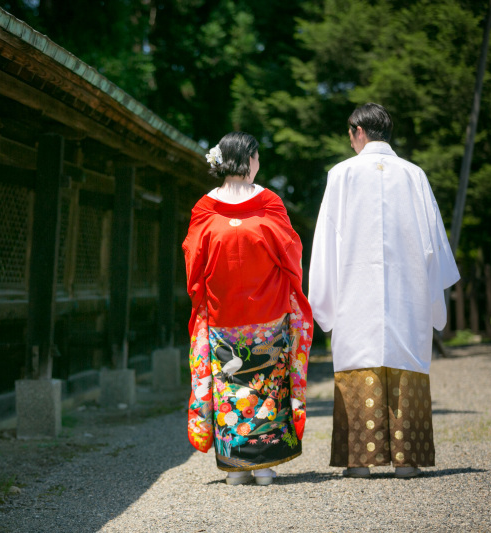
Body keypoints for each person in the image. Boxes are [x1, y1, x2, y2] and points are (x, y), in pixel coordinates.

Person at [308, 103, 460, 479]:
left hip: (353, 290)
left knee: (357, 356)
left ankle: (359, 462)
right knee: (406, 355)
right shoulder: (414, 175)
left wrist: (322, 301)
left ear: (358, 131)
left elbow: (326, 241)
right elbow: (434, 242)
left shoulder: (340, 174)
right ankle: (407, 461)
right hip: (408, 290)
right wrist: (432, 295)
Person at [184, 131, 312, 486]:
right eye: (256, 158)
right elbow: (290, 255)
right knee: (267, 386)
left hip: (223, 315)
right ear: (249, 160)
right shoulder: (269, 203)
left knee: (228, 387)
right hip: (267, 315)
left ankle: (234, 465)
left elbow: (193, 263)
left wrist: (203, 299)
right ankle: (265, 466)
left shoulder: (204, 209)